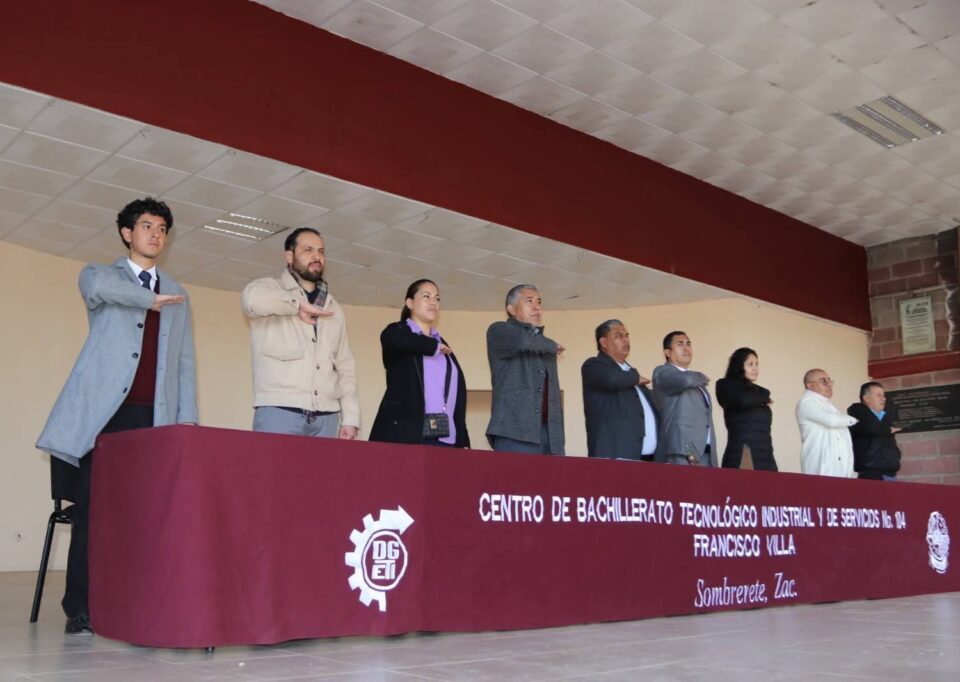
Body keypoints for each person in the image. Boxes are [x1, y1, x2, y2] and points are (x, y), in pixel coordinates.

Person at [36, 197, 198, 635]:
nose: (155, 234)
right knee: (92, 513)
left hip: (152, 419)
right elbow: (99, 289)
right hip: (104, 419)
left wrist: (186, 420)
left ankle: (136, 601)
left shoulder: (177, 293)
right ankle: (80, 607)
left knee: (145, 514)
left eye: (161, 228)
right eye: (146, 226)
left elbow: (184, 362)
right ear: (127, 233)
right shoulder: (101, 276)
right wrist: (150, 298)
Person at [242, 227, 359, 439]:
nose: (316, 256)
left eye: (321, 251)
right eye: (308, 250)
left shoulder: (333, 307)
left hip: (326, 416)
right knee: (272, 463)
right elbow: (251, 301)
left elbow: (345, 365)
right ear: (289, 256)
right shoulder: (270, 288)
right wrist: (296, 305)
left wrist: (350, 417)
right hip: (279, 409)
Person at [369, 279, 469, 447]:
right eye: (426, 296)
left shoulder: (443, 345)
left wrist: (463, 440)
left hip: (446, 437)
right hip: (408, 435)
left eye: (437, 298)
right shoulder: (397, 332)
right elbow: (396, 340)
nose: (433, 302)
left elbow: (456, 398)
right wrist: (433, 346)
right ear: (410, 303)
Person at [486, 284, 564, 455]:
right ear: (511, 309)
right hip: (514, 434)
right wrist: (551, 345)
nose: (537, 307)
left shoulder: (543, 344)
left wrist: (558, 441)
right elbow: (522, 341)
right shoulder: (498, 331)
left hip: (550, 437)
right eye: (529, 301)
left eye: (539, 302)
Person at [581, 320, 659, 461]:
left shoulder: (630, 373)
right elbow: (611, 379)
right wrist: (636, 377)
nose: (626, 340)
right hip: (615, 458)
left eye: (626, 335)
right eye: (618, 336)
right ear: (604, 342)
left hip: (648, 460)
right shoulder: (593, 365)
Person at [652, 331, 716, 466]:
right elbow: (685, 380)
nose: (686, 348)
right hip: (682, 450)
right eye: (680, 344)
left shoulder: (696, 382)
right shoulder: (662, 372)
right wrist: (702, 376)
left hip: (705, 451)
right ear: (668, 352)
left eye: (688, 344)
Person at [716, 347, 777, 471]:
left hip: (767, 456)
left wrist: (764, 395)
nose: (755, 368)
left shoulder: (760, 392)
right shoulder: (725, 385)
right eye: (750, 364)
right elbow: (742, 400)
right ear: (739, 365)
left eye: (756, 364)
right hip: (741, 454)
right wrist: (764, 397)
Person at [796, 369, 856, 477]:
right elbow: (833, 421)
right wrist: (853, 419)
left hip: (837, 469)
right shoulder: (807, 402)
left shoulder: (824, 403)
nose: (829, 384)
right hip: (821, 467)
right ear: (809, 385)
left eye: (829, 380)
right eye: (823, 381)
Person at [848, 381, 902, 480]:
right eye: (878, 395)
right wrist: (888, 430)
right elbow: (869, 427)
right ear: (866, 398)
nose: (883, 398)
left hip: (890, 472)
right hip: (870, 473)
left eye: (883, 395)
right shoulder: (858, 413)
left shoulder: (884, 417)